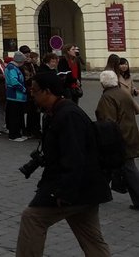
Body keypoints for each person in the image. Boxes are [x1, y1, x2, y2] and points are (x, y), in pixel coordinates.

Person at [15, 71, 111, 257]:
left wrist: (64, 193)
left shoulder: (68, 115)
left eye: (35, 91)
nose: (31, 94)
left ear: (47, 91)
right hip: (86, 188)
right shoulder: (57, 112)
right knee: (91, 238)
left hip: (75, 188)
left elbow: (75, 157)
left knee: (32, 218)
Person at [95, 70, 139, 210]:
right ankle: (99, 193)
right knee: (117, 168)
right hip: (129, 133)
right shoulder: (122, 93)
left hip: (119, 138)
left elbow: (108, 122)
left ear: (102, 83)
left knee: (128, 169)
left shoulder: (107, 97)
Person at [6, 52, 30, 142]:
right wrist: (24, 90)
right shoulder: (11, 68)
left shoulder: (15, 67)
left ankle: (18, 133)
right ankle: (13, 135)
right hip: (14, 96)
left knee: (19, 116)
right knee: (14, 117)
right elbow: (14, 82)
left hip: (19, 97)